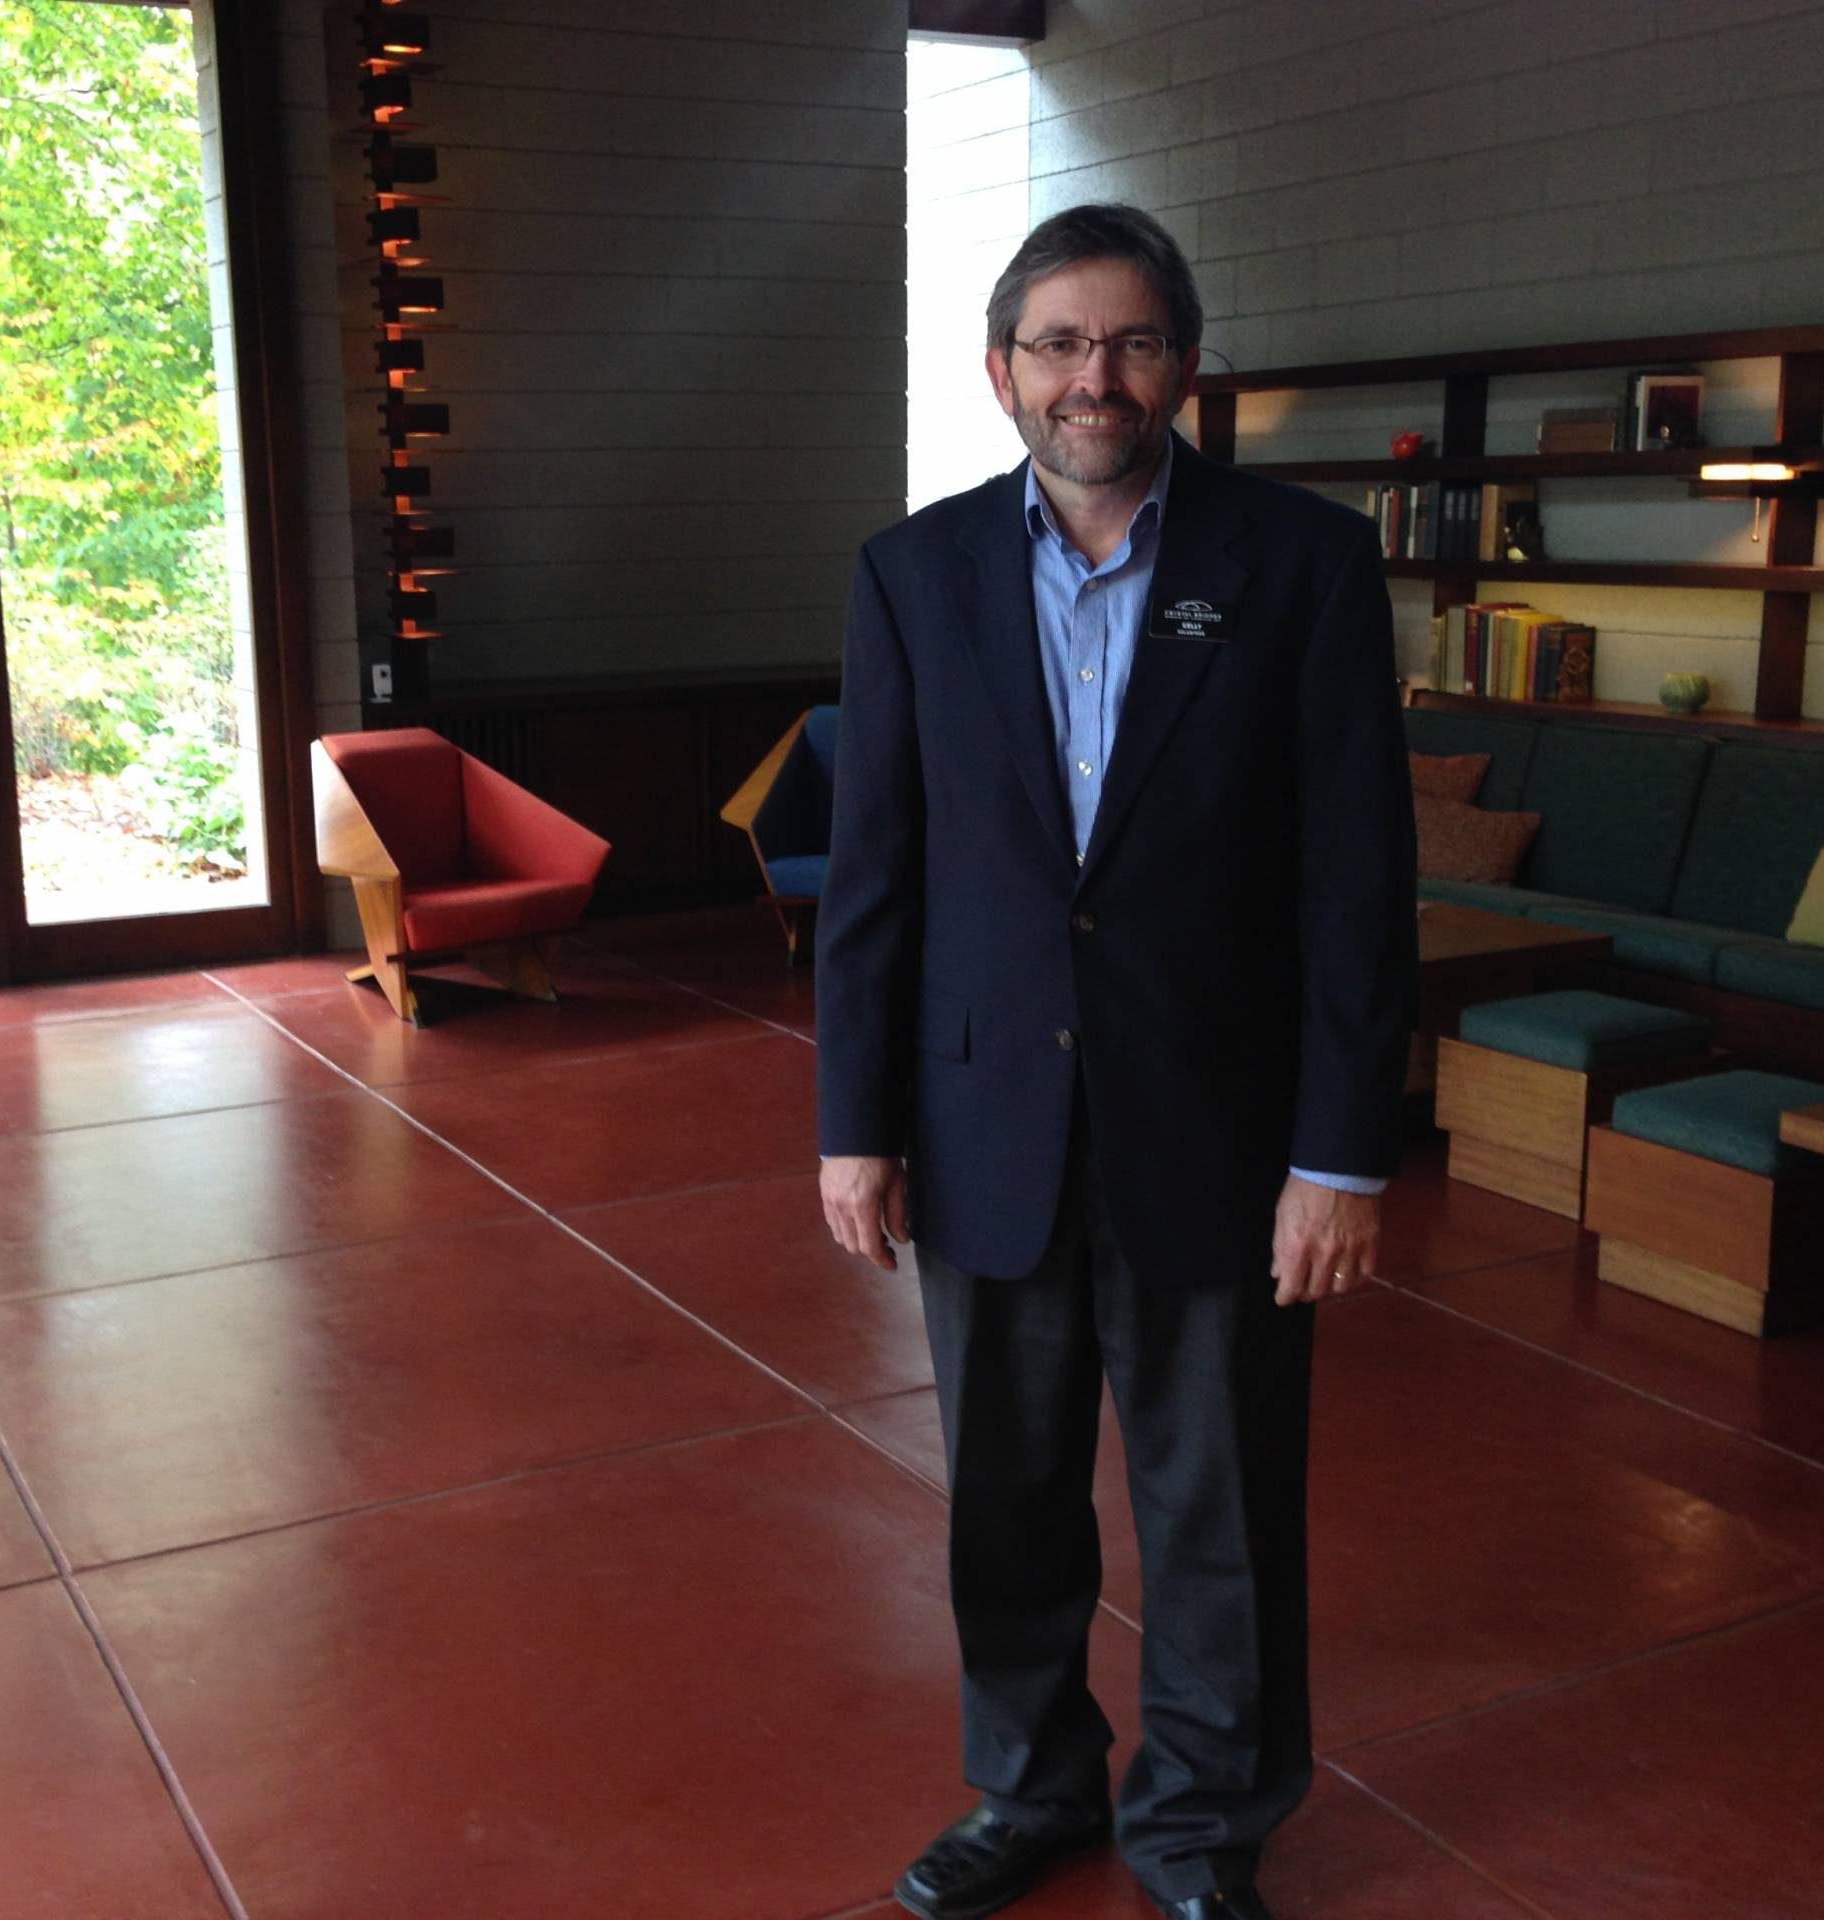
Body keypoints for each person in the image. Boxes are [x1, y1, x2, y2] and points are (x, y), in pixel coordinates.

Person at [814, 203, 1416, 1920]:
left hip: (1220, 1136)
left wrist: (1342, 1155)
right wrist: (854, 1126)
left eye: (1136, 341)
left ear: (1187, 367)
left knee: (1217, 1505)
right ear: (1001, 368)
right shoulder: (912, 573)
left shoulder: (1298, 563)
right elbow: (878, 879)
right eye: (1063, 343)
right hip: (984, 1112)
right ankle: (1030, 1789)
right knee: (1006, 1499)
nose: (1099, 377)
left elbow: (1354, 884)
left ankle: (1202, 1828)